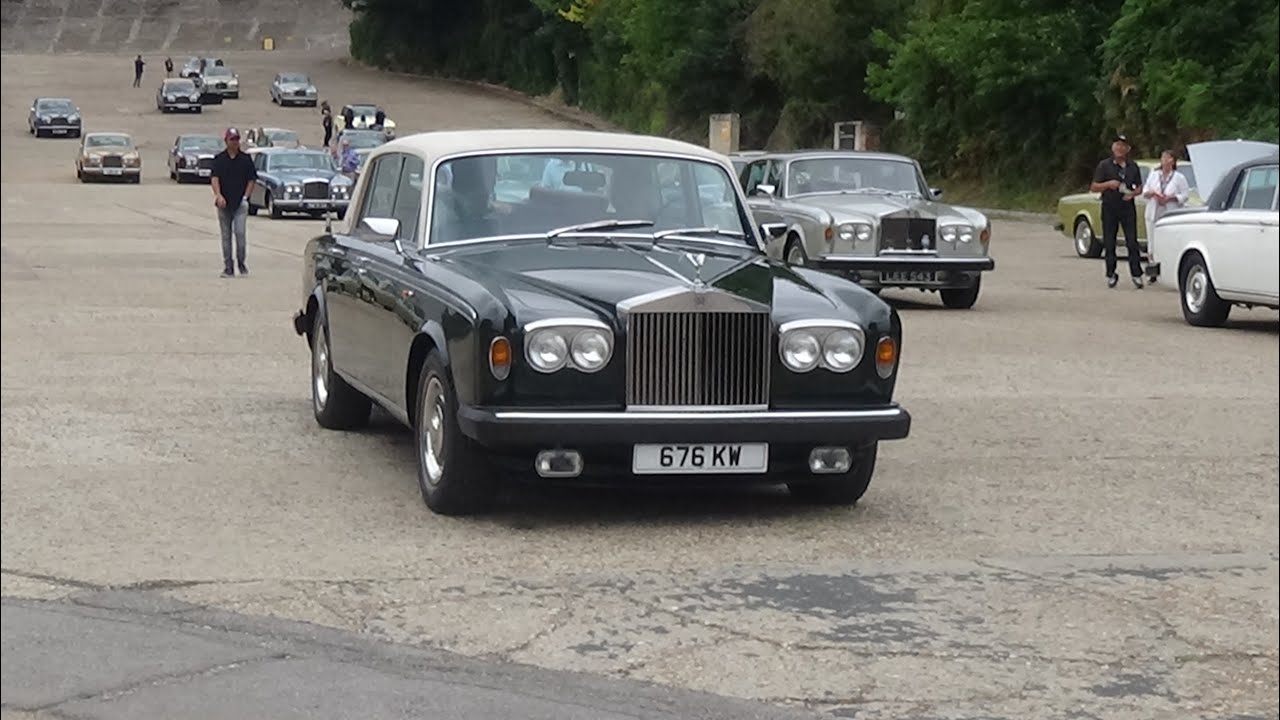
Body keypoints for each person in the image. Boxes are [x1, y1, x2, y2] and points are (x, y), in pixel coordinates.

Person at [1090, 134, 1144, 288]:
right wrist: (1108, 184)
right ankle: (1111, 273)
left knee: (1132, 241)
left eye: (1122, 146)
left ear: (1127, 149)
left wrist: (1133, 193)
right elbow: (1094, 186)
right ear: (1113, 148)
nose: (1119, 149)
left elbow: (1139, 187)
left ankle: (1136, 273)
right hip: (1109, 206)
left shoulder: (1133, 166)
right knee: (1109, 241)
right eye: (1117, 145)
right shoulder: (1104, 165)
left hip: (1127, 207)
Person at [210, 128, 258, 278]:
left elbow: (251, 179)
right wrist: (218, 195)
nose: (235, 142)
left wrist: (246, 197)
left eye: (237, 139)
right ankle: (228, 267)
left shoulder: (245, 159)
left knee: (240, 234)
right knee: (226, 236)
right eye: (232, 139)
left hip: (240, 204)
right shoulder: (219, 159)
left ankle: (241, 263)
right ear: (226, 141)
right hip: (224, 204)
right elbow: (214, 179)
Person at [1141, 150, 1192, 234]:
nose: (1164, 159)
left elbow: (1185, 195)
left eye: (1167, 157)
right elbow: (1145, 190)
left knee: (1168, 237)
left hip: (1169, 212)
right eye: (1163, 157)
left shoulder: (1179, 177)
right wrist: (1152, 194)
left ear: (1173, 161)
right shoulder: (1154, 175)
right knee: (1152, 238)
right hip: (1154, 212)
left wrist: (1171, 198)